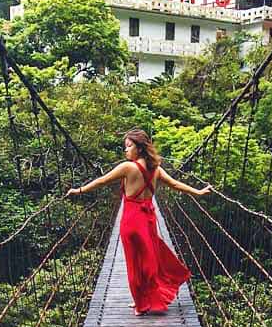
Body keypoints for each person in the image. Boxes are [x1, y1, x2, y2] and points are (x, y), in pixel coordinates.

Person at [67, 129, 213, 315]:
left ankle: (141, 304)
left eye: (129, 146)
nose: (125, 151)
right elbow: (176, 185)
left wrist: (79, 190)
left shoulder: (127, 168)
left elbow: (102, 181)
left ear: (140, 148)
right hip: (148, 218)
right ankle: (147, 298)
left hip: (131, 220)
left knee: (134, 262)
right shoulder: (157, 170)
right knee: (149, 258)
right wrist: (198, 192)